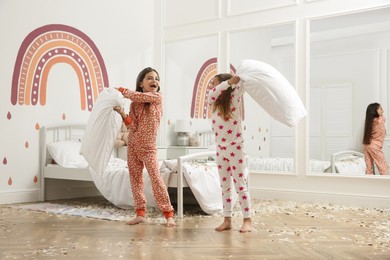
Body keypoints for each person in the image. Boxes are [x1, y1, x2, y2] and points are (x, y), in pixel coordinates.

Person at [114, 67, 175, 227]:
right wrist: (122, 113)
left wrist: (121, 90)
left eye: (156, 78)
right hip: (133, 145)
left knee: (156, 179)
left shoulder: (157, 97)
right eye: (149, 78)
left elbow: (136, 95)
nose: (154, 80)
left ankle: (168, 214)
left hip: (148, 148)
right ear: (141, 83)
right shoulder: (135, 104)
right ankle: (140, 213)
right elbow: (132, 125)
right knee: (135, 180)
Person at [208, 73, 252, 232]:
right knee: (224, 185)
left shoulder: (235, 97)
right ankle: (227, 219)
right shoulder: (213, 101)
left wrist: (234, 81)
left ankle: (247, 219)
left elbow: (244, 83)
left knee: (240, 183)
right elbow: (213, 94)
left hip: (235, 146)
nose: (213, 87)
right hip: (220, 147)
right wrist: (227, 83)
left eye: (214, 83)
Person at [362, 102, 388, 175]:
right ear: (374, 111)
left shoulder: (370, 121)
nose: (383, 111)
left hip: (367, 145)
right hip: (374, 146)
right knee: (383, 166)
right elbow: (383, 118)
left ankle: (369, 184)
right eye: (380, 109)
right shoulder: (380, 120)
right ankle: (385, 183)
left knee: (369, 167)